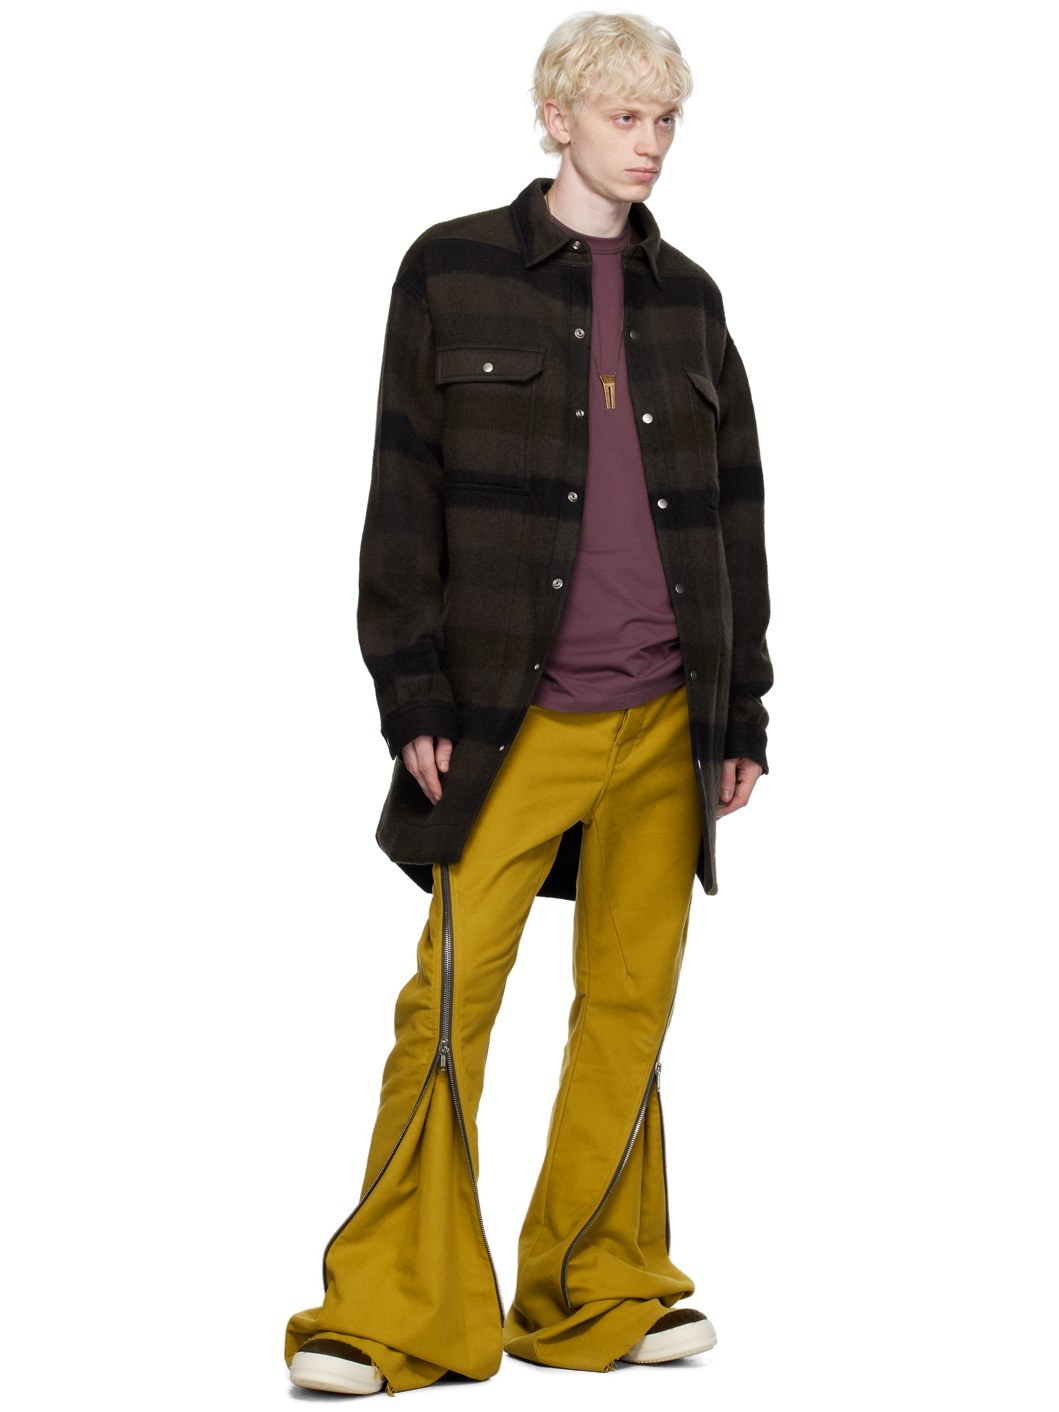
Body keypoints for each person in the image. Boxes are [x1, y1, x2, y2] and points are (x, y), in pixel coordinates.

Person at [285, 11, 772, 1396]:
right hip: (511, 717)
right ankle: (393, 1311)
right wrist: (412, 691)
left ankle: (593, 1289)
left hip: (667, 719)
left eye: (666, 120)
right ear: (558, 118)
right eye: (626, 117)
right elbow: (404, 494)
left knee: (628, 1008)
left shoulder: (691, 299)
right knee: (448, 1005)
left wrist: (741, 713)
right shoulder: (451, 271)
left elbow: (737, 514)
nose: (651, 143)